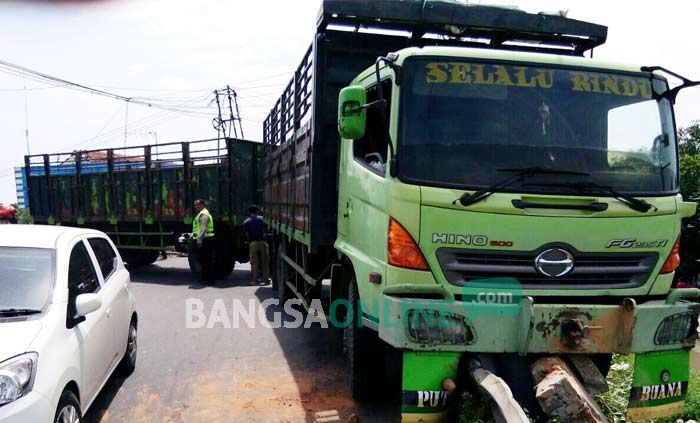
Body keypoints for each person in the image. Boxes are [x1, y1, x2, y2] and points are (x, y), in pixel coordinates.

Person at [243, 205, 270, 285]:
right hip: (263, 243)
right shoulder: (263, 219)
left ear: (249, 212)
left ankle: (255, 280)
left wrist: (249, 240)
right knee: (265, 262)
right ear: (257, 211)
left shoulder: (246, 221)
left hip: (253, 243)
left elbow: (246, 234)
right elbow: (266, 229)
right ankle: (266, 279)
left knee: (254, 263)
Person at [193, 199, 215, 283]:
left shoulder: (203, 214)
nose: (195, 207)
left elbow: (203, 227)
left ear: (202, 205)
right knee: (205, 260)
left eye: (197, 205)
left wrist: (199, 240)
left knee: (205, 260)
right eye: (195, 205)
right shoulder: (203, 213)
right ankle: (206, 279)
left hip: (205, 240)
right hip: (206, 239)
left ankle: (207, 279)